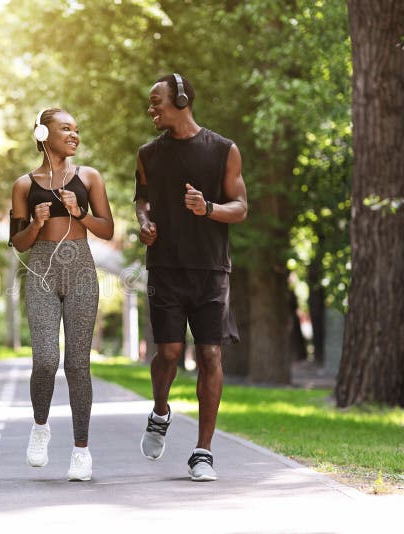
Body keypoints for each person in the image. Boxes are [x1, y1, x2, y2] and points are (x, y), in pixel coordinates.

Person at [133, 74, 248, 482]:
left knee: (211, 355)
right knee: (167, 353)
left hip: (211, 270)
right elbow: (142, 200)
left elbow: (240, 207)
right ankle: (160, 411)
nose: (151, 110)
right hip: (164, 267)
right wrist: (144, 222)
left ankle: (203, 452)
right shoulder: (147, 153)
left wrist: (208, 208)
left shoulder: (223, 150)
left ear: (180, 100)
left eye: (156, 102)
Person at [9, 107, 114, 481]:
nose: (74, 135)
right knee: (46, 358)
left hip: (81, 269)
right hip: (41, 270)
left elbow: (107, 229)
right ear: (43, 134)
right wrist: (36, 224)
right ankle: (40, 428)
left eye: (77, 129)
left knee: (77, 365)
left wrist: (80, 213)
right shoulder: (24, 184)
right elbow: (18, 243)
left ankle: (81, 451)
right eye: (65, 128)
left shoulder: (89, 177)